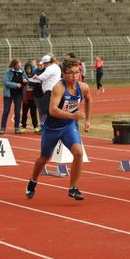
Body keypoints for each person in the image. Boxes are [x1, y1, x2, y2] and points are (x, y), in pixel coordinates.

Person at [26, 58, 92, 201]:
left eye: (77, 73)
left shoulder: (83, 87)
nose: (74, 76)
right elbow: (53, 110)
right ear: (63, 74)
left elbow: (88, 99)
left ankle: (73, 188)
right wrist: (72, 115)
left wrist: (87, 120)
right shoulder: (59, 88)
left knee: (78, 153)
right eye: (70, 73)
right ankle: (33, 180)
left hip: (68, 126)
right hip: (52, 127)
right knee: (44, 158)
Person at [29, 54, 62, 129]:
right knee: (51, 109)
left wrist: (36, 77)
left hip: (49, 91)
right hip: (53, 90)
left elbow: (43, 77)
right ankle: (50, 125)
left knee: (45, 110)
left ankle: (45, 126)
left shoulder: (50, 68)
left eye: (44, 64)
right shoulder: (56, 66)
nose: (43, 65)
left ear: (47, 63)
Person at [0, 59, 26, 134]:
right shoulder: (8, 71)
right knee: (6, 111)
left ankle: (17, 128)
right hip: (9, 94)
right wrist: (15, 85)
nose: (20, 65)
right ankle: (2, 128)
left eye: (20, 63)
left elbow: (25, 78)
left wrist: (25, 80)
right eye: (18, 64)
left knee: (17, 111)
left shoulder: (22, 71)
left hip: (18, 94)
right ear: (14, 65)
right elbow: (5, 82)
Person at [20, 63, 39, 133]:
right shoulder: (23, 76)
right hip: (26, 98)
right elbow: (21, 81)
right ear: (25, 69)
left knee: (33, 113)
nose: (29, 70)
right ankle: (23, 126)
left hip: (33, 98)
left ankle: (36, 126)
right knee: (24, 113)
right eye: (27, 69)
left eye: (30, 68)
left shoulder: (34, 76)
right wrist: (23, 81)